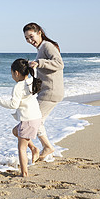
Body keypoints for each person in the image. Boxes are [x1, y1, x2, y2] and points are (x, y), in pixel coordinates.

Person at [0, 59, 42, 177]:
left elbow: (13, 105)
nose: (12, 75)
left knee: (21, 148)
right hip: (36, 118)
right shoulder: (31, 80)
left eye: (12, 73)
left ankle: (24, 173)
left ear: (16, 73)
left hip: (28, 120)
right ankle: (34, 149)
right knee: (15, 131)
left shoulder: (18, 86)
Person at [23, 23, 64, 161]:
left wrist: (39, 63)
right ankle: (45, 148)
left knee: (33, 120)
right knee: (36, 121)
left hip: (51, 92)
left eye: (31, 36)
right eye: (27, 39)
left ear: (39, 32)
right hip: (46, 92)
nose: (30, 41)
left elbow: (59, 64)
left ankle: (45, 148)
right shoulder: (41, 48)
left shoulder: (47, 46)